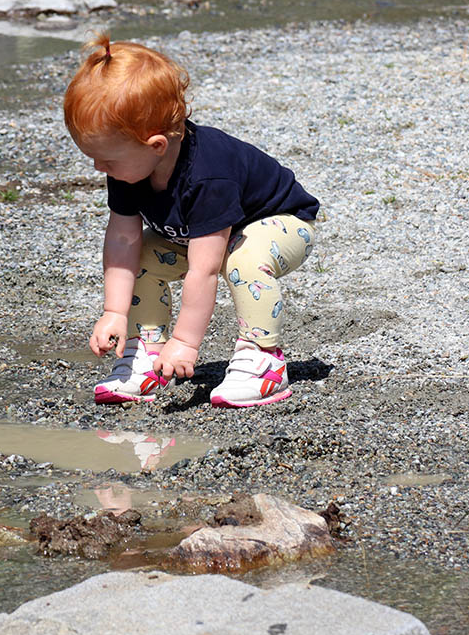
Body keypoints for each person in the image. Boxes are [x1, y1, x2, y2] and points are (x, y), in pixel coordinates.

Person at [63, 34, 320, 408]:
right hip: (203, 235)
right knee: (144, 257)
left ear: (156, 146)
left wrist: (185, 343)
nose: (99, 168)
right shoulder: (128, 169)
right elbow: (122, 241)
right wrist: (114, 312)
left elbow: (204, 270)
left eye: (107, 161)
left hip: (281, 224)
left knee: (242, 261)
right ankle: (146, 351)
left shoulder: (207, 176)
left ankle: (263, 359)